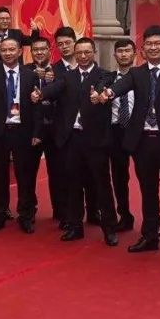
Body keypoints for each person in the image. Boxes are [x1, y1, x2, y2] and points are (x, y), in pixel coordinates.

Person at [99, 26, 160, 261]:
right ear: (142, 49)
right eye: (149, 44)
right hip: (143, 144)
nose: (153, 48)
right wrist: (108, 93)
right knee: (148, 192)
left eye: (157, 43)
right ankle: (150, 236)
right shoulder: (137, 73)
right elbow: (121, 86)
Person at [34, 37, 120, 246]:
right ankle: (75, 226)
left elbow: (102, 87)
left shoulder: (105, 75)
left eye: (87, 52)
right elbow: (56, 88)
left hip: (95, 141)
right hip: (72, 139)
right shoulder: (68, 76)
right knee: (72, 184)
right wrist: (41, 93)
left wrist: (98, 94)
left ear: (94, 53)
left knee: (102, 185)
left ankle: (109, 229)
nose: (82, 56)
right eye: (79, 52)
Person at [0, 36, 44, 232]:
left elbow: (37, 107)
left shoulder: (30, 75)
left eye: (11, 50)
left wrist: (37, 132)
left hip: (23, 131)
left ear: (19, 52)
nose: (8, 53)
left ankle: (26, 215)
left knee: (25, 176)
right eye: (4, 50)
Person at [28, 36, 63, 223]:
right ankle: (29, 211)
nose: (39, 52)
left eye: (43, 49)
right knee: (28, 173)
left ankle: (60, 211)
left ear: (50, 50)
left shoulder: (60, 71)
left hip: (55, 130)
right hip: (33, 131)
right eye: (35, 50)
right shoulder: (25, 71)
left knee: (57, 172)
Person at [107, 38, 137, 232]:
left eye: (127, 51)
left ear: (135, 54)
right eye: (120, 51)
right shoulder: (107, 78)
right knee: (119, 177)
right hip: (116, 131)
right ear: (115, 55)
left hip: (139, 131)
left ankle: (153, 220)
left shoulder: (143, 77)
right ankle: (124, 215)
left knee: (147, 177)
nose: (124, 54)